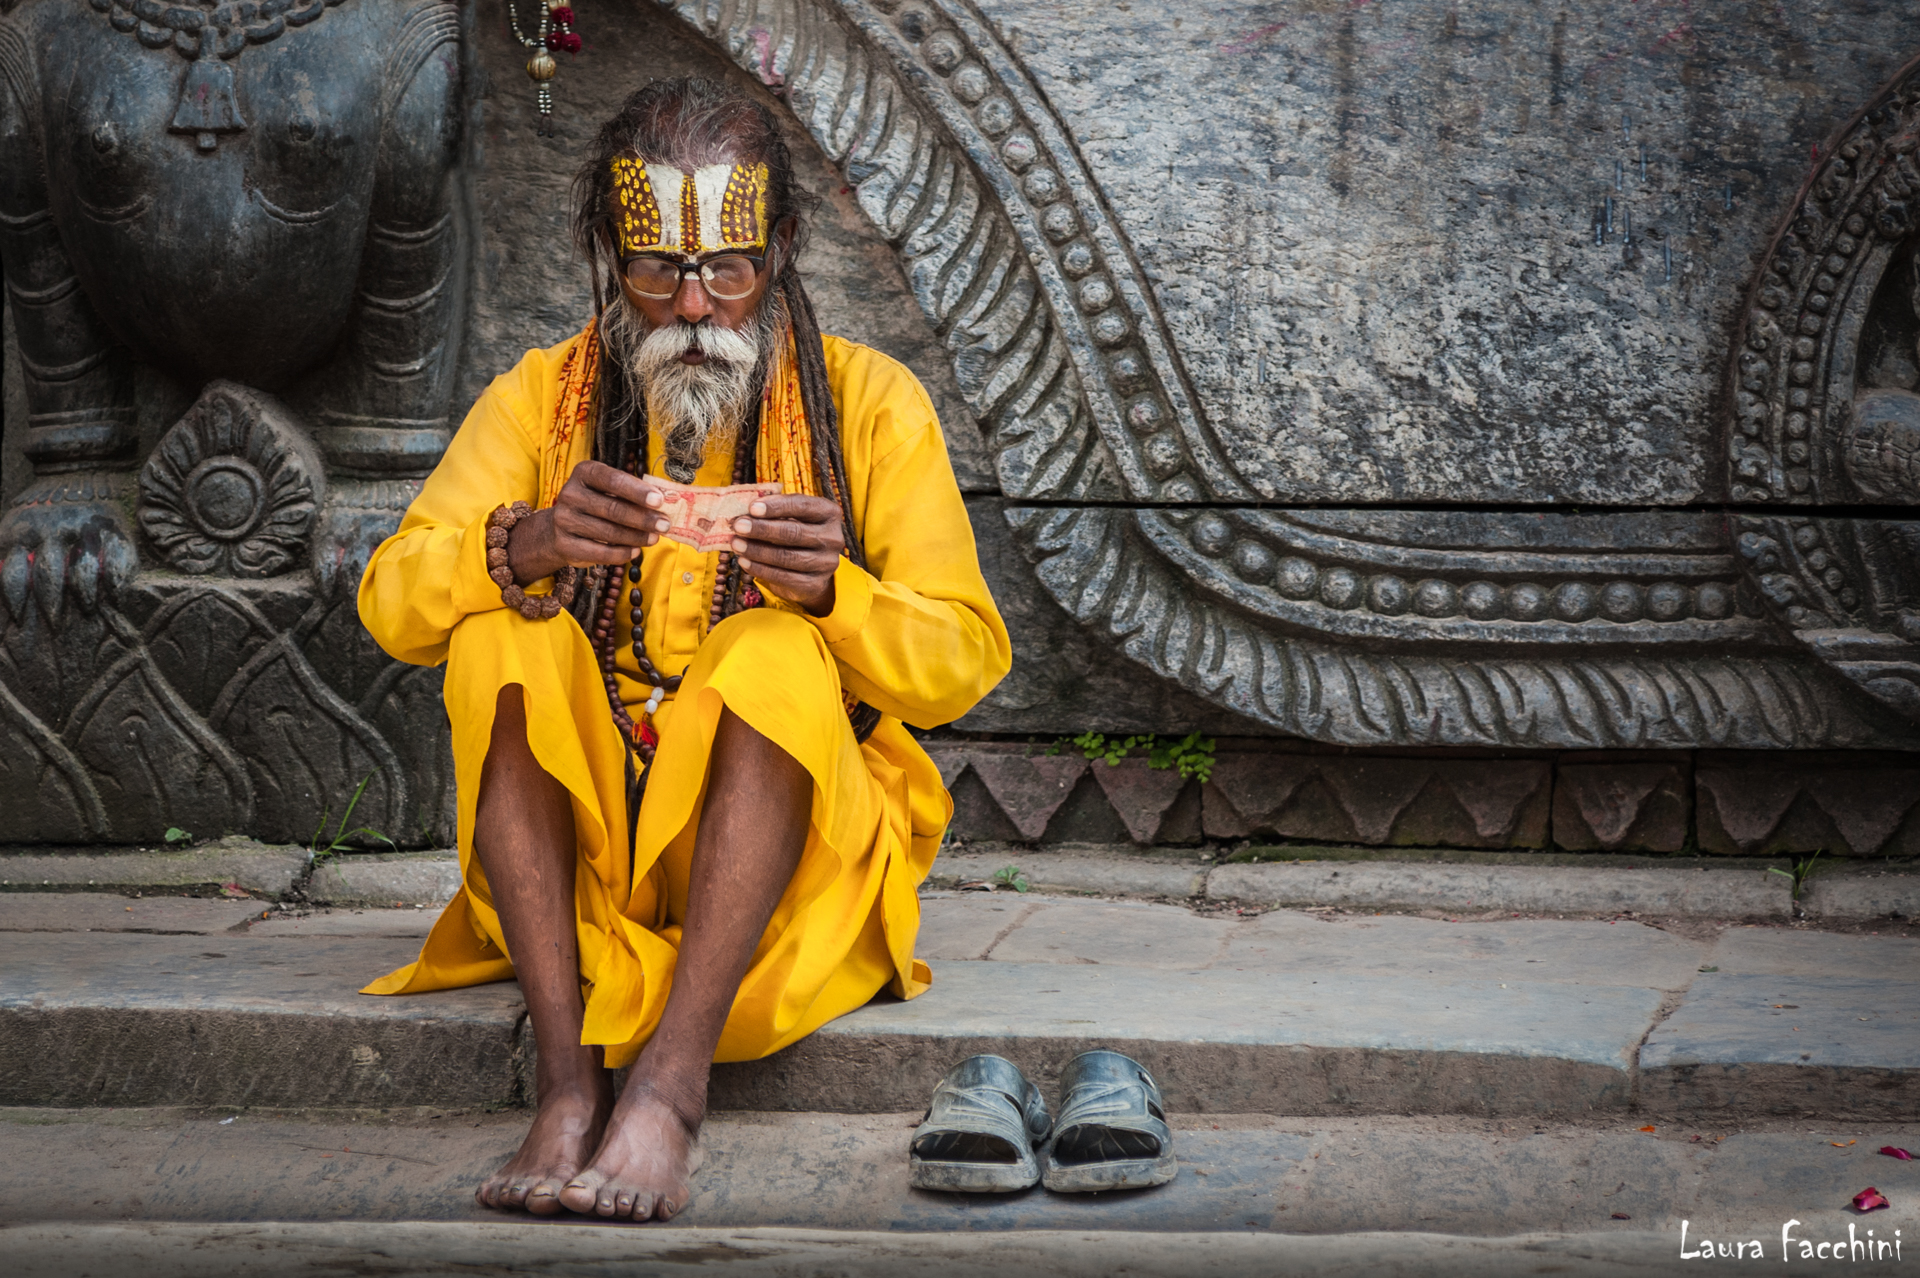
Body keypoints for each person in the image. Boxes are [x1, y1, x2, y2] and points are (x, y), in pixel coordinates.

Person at [355, 76, 1010, 1221]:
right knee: (504, 642)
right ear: (610, 257)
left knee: (768, 653)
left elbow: (961, 664)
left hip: (788, 866)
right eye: (657, 271)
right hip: (588, 858)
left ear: (783, 249)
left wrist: (837, 597)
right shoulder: (541, 398)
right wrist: (529, 543)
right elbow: (390, 604)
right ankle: (567, 1085)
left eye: (730, 270)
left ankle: (668, 1091)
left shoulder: (870, 403)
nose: (696, 307)